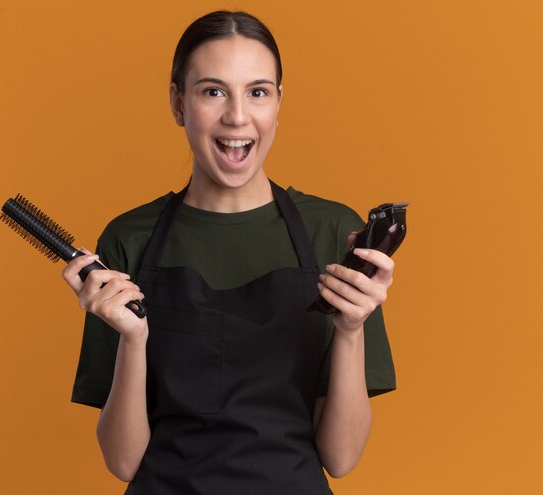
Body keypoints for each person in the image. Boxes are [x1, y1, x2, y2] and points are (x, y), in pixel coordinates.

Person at [63, 10, 396, 494]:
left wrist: (350, 328)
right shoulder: (127, 239)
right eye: (212, 91)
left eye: (257, 92)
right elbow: (123, 462)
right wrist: (134, 339)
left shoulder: (336, 234)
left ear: (279, 103)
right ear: (178, 103)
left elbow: (341, 459)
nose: (237, 116)